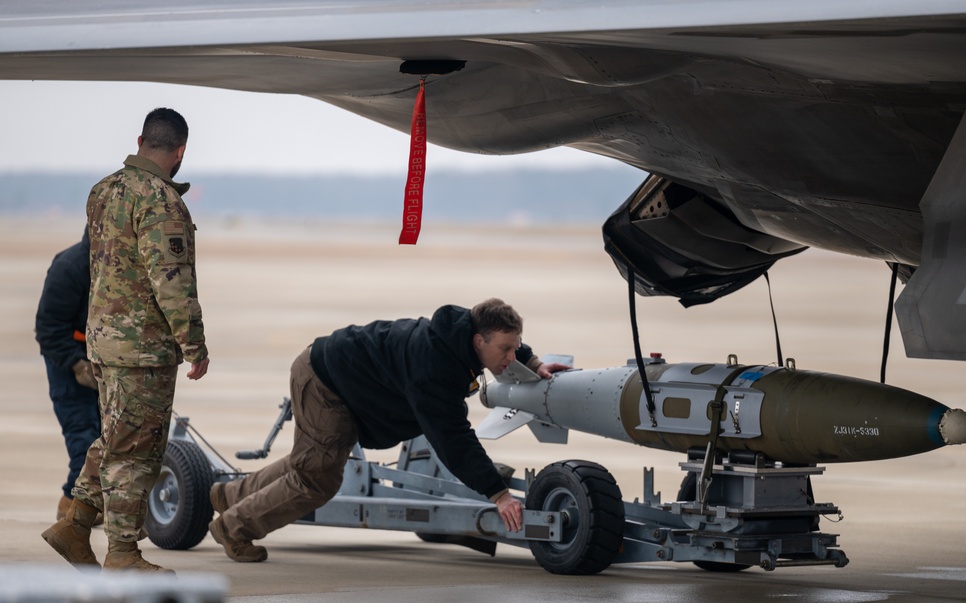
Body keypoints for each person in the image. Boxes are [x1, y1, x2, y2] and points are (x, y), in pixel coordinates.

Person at [208, 298, 568, 563]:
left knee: (313, 460)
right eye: (505, 350)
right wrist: (498, 494)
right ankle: (233, 528)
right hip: (326, 383)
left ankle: (229, 496)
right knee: (317, 479)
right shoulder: (435, 369)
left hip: (337, 377)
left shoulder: (462, 328)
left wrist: (532, 362)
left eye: (515, 348)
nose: (510, 356)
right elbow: (453, 439)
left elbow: (506, 343)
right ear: (479, 342)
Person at [41, 108, 210, 573]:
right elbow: (171, 280)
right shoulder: (162, 202)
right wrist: (194, 345)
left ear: (140, 140)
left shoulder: (103, 191)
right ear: (180, 152)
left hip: (104, 343)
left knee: (115, 437)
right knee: (137, 450)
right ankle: (122, 553)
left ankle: (75, 524)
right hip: (143, 348)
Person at [34, 227, 103, 523]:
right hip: (67, 361)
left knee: (106, 440)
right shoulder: (70, 266)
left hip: (105, 358)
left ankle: (87, 506)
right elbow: (48, 328)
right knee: (84, 439)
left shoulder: (121, 266)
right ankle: (71, 510)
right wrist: (77, 364)